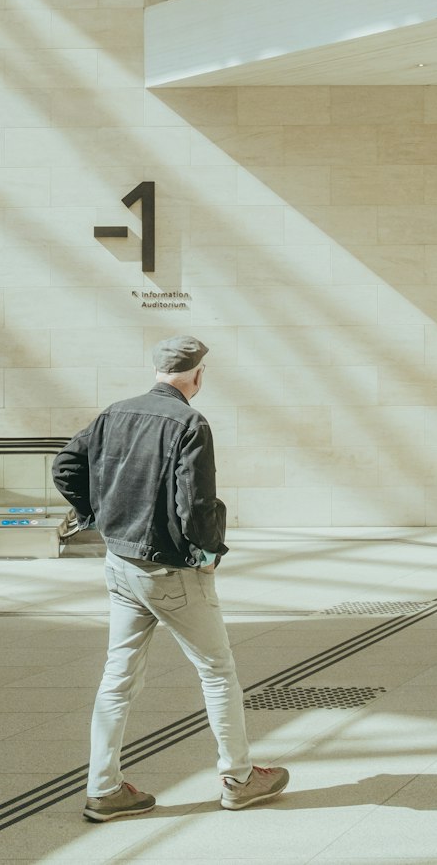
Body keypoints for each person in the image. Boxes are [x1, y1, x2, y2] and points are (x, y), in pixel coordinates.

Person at [52, 335, 289, 823]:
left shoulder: (115, 412)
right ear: (198, 375)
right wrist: (205, 552)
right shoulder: (190, 422)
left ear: (158, 370)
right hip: (170, 569)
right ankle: (240, 779)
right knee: (217, 671)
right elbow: (195, 500)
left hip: (121, 563)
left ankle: (103, 788)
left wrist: (92, 513)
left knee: (117, 678)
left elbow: (66, 465)